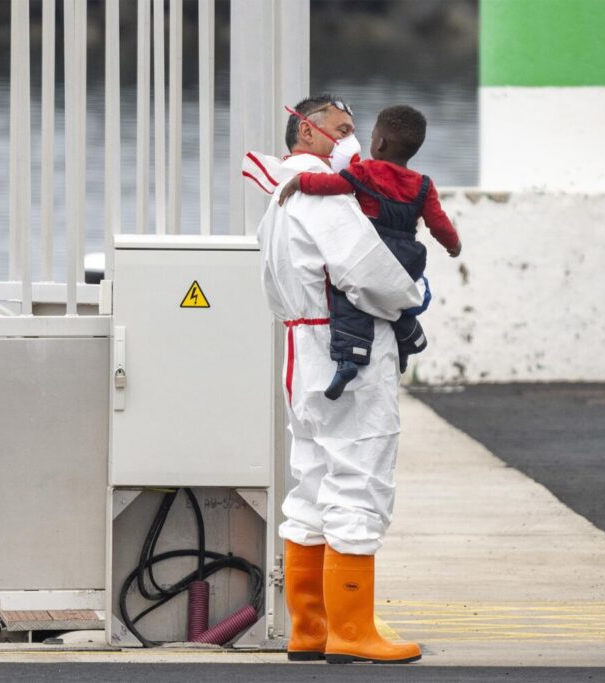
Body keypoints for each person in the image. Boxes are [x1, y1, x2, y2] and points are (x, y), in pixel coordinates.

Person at [254, 95, 424, 664]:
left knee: (311, 481)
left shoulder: (279, 197)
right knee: (359, 478)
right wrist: (411, 295)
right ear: (307, 132)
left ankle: (310, 627)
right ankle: (352, 631)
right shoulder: (326, 197)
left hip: (302, 347)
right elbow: (370, 273)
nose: (354, 141)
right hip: (346, 350)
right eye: (343, 129)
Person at [278, 104, 461, 399]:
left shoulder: (365, 171)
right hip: (408, 257)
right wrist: (454, 245)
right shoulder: (424, 185)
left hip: (374, 251)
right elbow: (438, 222)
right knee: (393, 297)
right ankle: (406, 337)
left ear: (380, 143)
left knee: (347, 295)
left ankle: (349, 357)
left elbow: (333, 185)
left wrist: (301, 181)